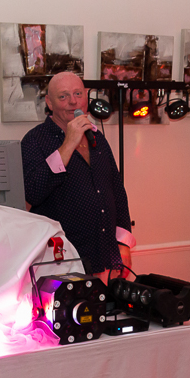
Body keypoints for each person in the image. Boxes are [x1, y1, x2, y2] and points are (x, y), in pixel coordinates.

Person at [21, 72, 134, 278]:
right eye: (63, 96)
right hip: (61, 262)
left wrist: (123, 244)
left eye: (78, 94)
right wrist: (68, 144)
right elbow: (33, 192)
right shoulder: (34, 140)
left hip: (104, 256)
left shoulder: (97, 138)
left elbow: (117, 192)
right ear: (49, 102)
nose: (73, 101)